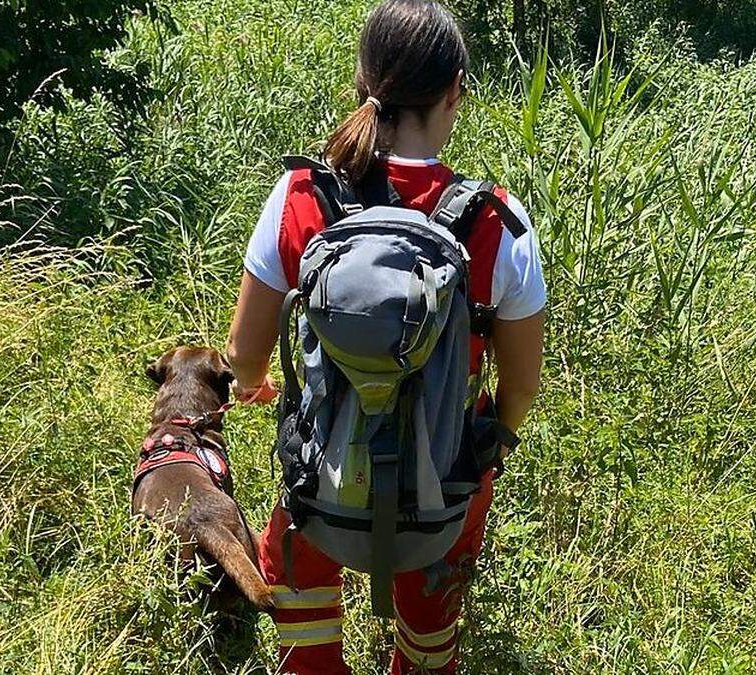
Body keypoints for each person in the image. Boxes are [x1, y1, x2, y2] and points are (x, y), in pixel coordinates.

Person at [226, 1, 545, 672]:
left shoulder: (298, 196)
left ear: (362, 79)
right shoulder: (499, 221)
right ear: (456, 88)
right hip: (444, 491)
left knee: (306, 642)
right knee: (429, 648)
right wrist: (492, 443)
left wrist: (259, 387)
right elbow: (519, 388)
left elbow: (245, 358)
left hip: (321, 478)